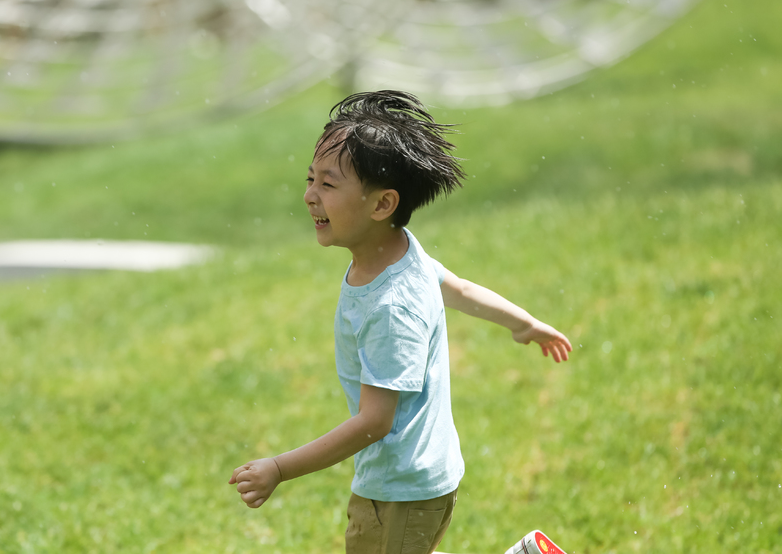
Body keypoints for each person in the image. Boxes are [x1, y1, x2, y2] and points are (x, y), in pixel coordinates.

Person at [229, 90, 573, 554]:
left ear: (381, 205)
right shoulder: (400, 252)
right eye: (311, 179)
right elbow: (459, 289)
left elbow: (375, 421)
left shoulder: (391, 306)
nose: (310, 195)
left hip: (399, 490)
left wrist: (280, 468)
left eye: (328, 185)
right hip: (419, 480)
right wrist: (522, 323)